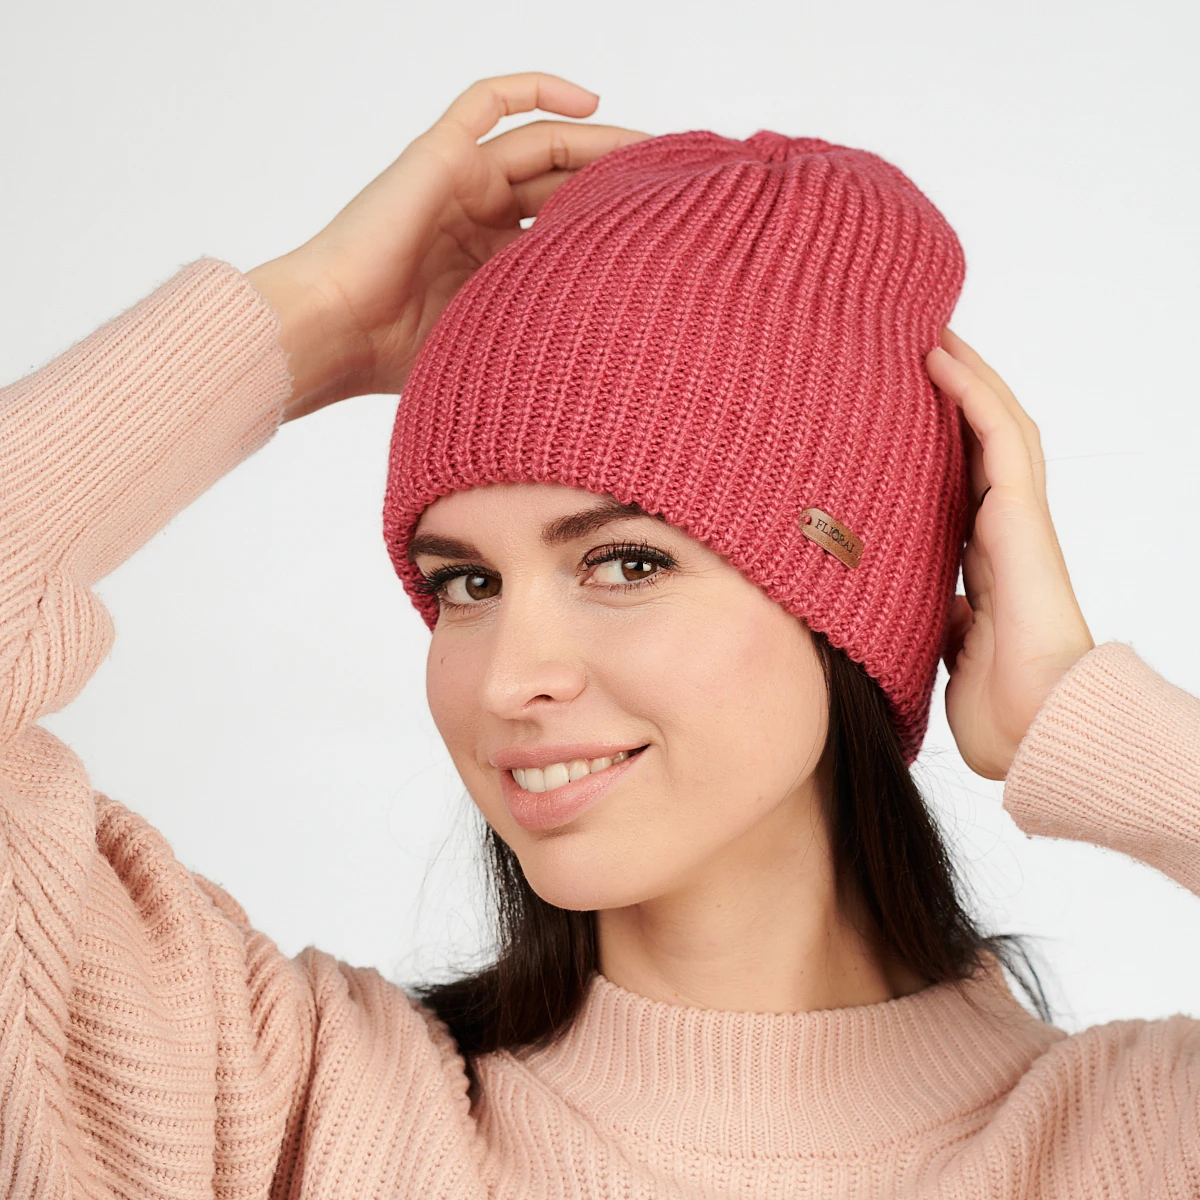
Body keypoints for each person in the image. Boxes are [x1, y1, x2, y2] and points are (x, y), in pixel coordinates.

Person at [0, 69, 1196, 1199]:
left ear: (852, 605)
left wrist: (1073, 711)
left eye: (627, 563)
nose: (506, 679)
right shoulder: (279, 1105)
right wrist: (315, 319)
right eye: (467, 583)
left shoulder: (1138, 1145)